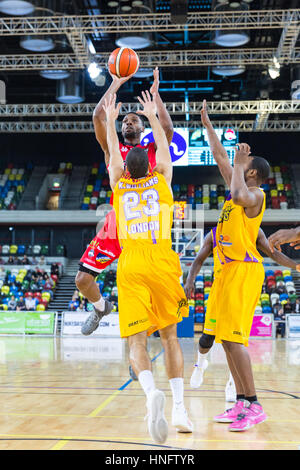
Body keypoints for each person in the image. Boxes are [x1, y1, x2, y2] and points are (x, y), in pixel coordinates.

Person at [102, 90, 193, 444]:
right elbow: (165, 149)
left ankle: (150, 391)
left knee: (135, 341)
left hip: (132, 263)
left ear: (126, 170)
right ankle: (180, 408)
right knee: (170, 336)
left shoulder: (119, 184)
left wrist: (111, 120)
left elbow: (112, 154)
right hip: (162, 260)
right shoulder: (162, 179)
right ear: (151, 168)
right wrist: (153, 114)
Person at [78, 67, 174, 336]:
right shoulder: (113, 149)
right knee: (82, 280)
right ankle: (100, 307)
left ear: (143, 126)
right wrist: (115, 83)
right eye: (125, 121)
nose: (128, 123)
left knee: (146, 292)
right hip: (118, 224)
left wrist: (156, 97)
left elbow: (167, 128)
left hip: (149, 228)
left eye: (134, 120)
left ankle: (140, 353)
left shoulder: (153, 150)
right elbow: (98, 116)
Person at [201, 99, 270, 432]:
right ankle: (241, 401)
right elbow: (217, 155)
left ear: (253, 171)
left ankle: (254, 404)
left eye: (247, 163)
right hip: (227, 271)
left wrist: (240, 164)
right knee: (225, 339)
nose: (240, 164)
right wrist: (206, 124)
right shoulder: (236, 188)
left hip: (244, 269)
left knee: (237, 339)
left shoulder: (255, 194)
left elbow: (241, 196)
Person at [185, 226, 300, 401]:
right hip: (220, 286)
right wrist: (190, 280)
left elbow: (274, 254)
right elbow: (198, 260)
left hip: (241, 285)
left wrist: (296, 265)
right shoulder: (214, 234)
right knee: (206, 338)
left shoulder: (253, 230)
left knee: (235, 341)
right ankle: (200, 364)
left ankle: (232, 384)